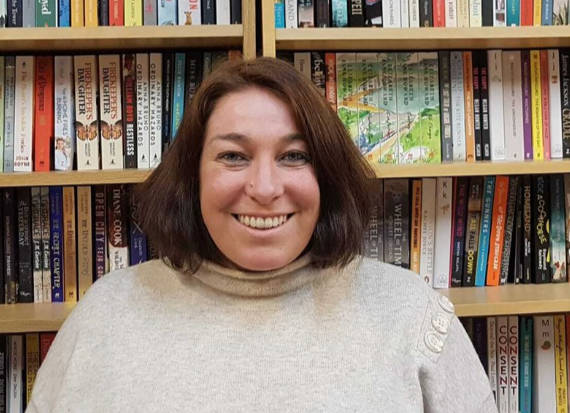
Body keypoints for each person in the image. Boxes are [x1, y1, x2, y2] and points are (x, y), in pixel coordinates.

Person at [27, 57, 496, 413]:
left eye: (294, 156)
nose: (265, 188)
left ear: (326, 175)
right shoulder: (105, 315)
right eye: (233, 156)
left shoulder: (413, 316)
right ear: (192, 176)